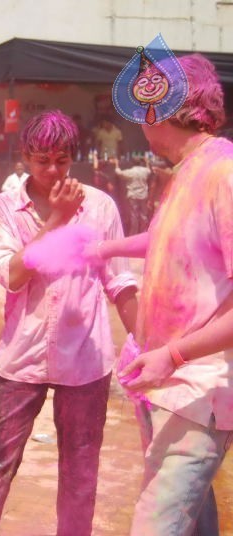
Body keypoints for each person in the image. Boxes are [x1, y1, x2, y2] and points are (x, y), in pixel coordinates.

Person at [0, 110, 138, 536]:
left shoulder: (100, 207)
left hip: (86, 361)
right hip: (20, 359)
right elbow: (13, 275)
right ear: (25, 156)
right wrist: (57, 220)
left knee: (80, 475)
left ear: (72, 157)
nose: (53, 170)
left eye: (62, 160)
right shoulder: (5, 208)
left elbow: (120, 281)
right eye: (42, 161)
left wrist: (149, 344)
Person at [108, 54, 233, 536]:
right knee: (195, 521)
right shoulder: (188, 171)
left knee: (157, 525)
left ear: (159, 112)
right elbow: (166, 239)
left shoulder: (222, 173)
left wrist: (174, 355)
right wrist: (98, 248)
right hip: (170, 384)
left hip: (199, 387)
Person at [112, 156, 150, 235]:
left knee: (134, 216)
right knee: (143, 215)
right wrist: (147, 162)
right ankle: (144, 233)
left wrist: (116, 164)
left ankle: (134, 233)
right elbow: (149, 170)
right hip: (143, 195)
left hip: (133, 195)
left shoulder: (130, 172)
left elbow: (119, 173)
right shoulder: (145, 171)